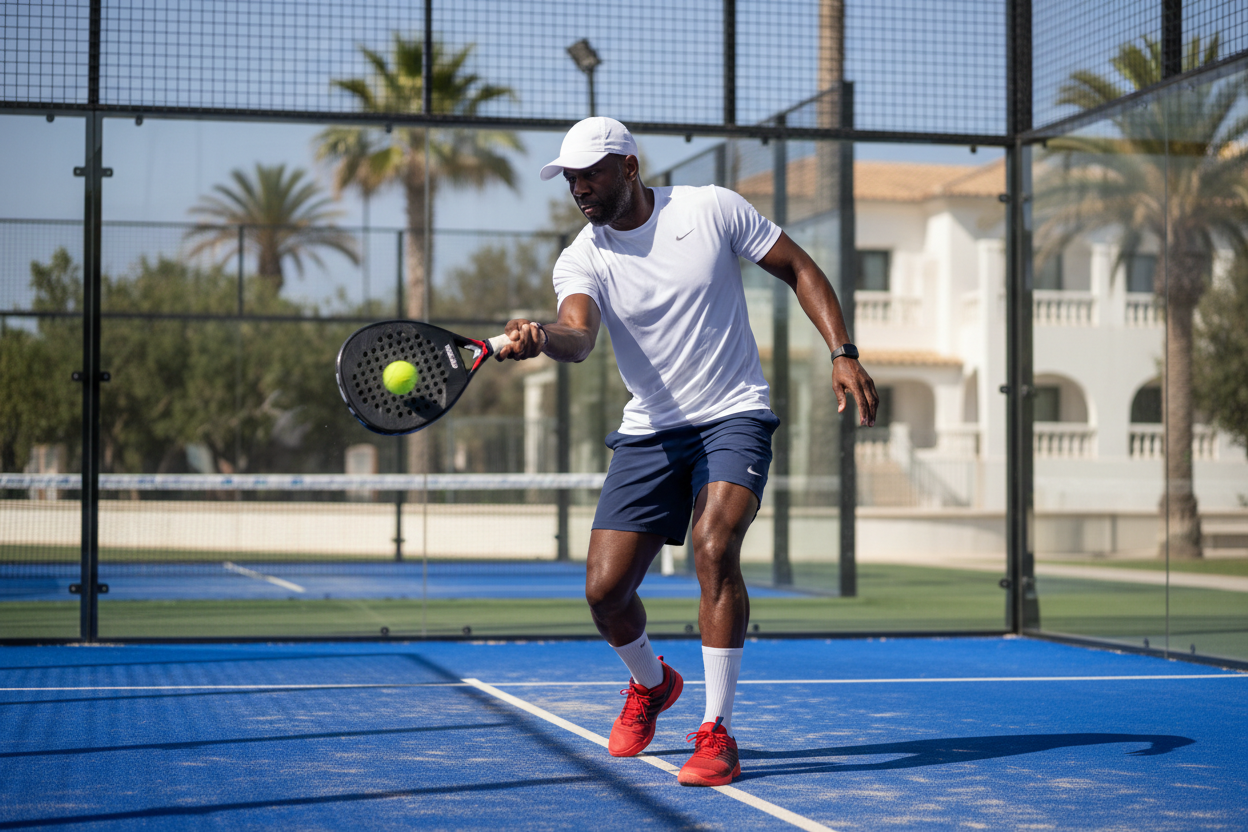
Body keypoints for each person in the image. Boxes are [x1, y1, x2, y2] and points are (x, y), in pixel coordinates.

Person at [497, 117, 877, 786]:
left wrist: (842, 352)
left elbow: (798, 267)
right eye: (570, 177)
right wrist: (541, 337)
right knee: (605, 592)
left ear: (629, 167)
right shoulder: (582, 255)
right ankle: (652, 684)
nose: (579, 187)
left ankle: (716, 730)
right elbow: (579, 335)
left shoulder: (710, 208)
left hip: (733, 416)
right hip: (650, 430)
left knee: (712, 545)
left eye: (591, 173)